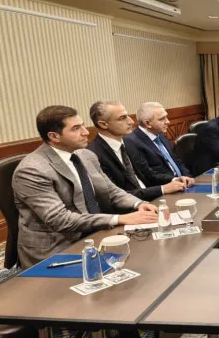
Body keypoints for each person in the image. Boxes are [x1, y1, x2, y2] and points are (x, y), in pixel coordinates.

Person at [12, 106, 158, 268]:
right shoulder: (32, 170)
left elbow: (111, 191)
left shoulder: (85, 155)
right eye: (76, 128)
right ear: (54, 136)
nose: (86, 132)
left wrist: (138, 204)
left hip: (94, 233)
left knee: (148, 256)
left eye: (82, 125)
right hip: (58, 246)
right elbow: (60, 220)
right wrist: (119, 218)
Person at [87, 101, 186, 201]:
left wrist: (174, 179)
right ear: (104, 124)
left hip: (150, 198)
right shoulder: (93, 155)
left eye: (128, 116)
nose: (131, 121)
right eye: (122, 118)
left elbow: (147, 173)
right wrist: (162, 189)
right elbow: (116, 195)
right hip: (130, 206)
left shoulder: (128, 142)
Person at [124, 102, 194, 187]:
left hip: (183, 184)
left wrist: (188, 177)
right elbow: (147, 174)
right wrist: (175, 180)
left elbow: (176, 160)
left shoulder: (159, 133)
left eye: (166, 117)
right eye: (162, 119)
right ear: (147, 123)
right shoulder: (131, 141)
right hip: (166, 188)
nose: (168, 122)